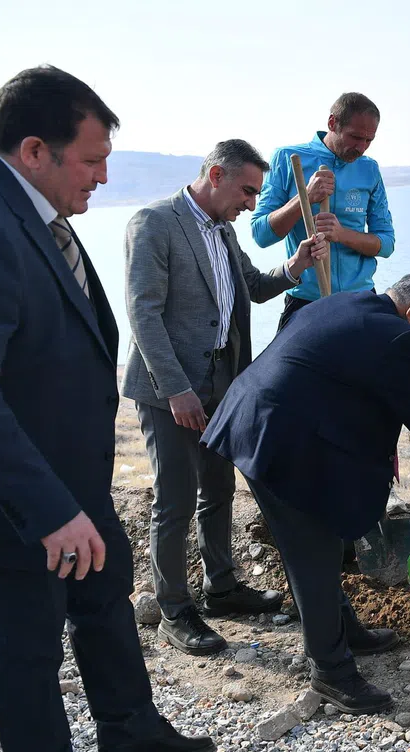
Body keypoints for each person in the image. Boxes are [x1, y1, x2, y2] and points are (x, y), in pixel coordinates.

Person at [0, 66, 213, 752]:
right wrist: (49, 510)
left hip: (72, 476)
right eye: (91, 161)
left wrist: (78, 494)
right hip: (11, 500)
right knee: (23, 642)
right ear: (33, 150)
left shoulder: (36, 208)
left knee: (103, 600)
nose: (104, 175)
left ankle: (129, 731)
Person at [202, 273, 410, 713]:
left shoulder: (345, 305)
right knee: (312, 553)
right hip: (279, 440)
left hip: (257, 421)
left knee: (319, 544)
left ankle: (346, 631)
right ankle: (332, 674)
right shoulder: (399, 337)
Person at [122, 140, 329, 655]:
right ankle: (174, 608)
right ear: (216, 174)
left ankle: (222, 589)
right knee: (173, 498)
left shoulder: (224, 229)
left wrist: (297, 264)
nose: (253, 203)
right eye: (248, 190)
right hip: (169, 389)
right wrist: (176, 391)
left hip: (221, 383)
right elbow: (143, 313)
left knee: (217, 490)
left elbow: (253, 287)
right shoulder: (154, 223)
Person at [252, 92, 395, 330]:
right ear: (332, 123)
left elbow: (387, 244)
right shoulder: (287, 158)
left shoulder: (369, 169)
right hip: (305, 301)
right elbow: (261, 234)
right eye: (355, 137)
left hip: (359, 299)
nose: (361, 148)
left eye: (369, 140)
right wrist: (304, 198)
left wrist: (341, 234)